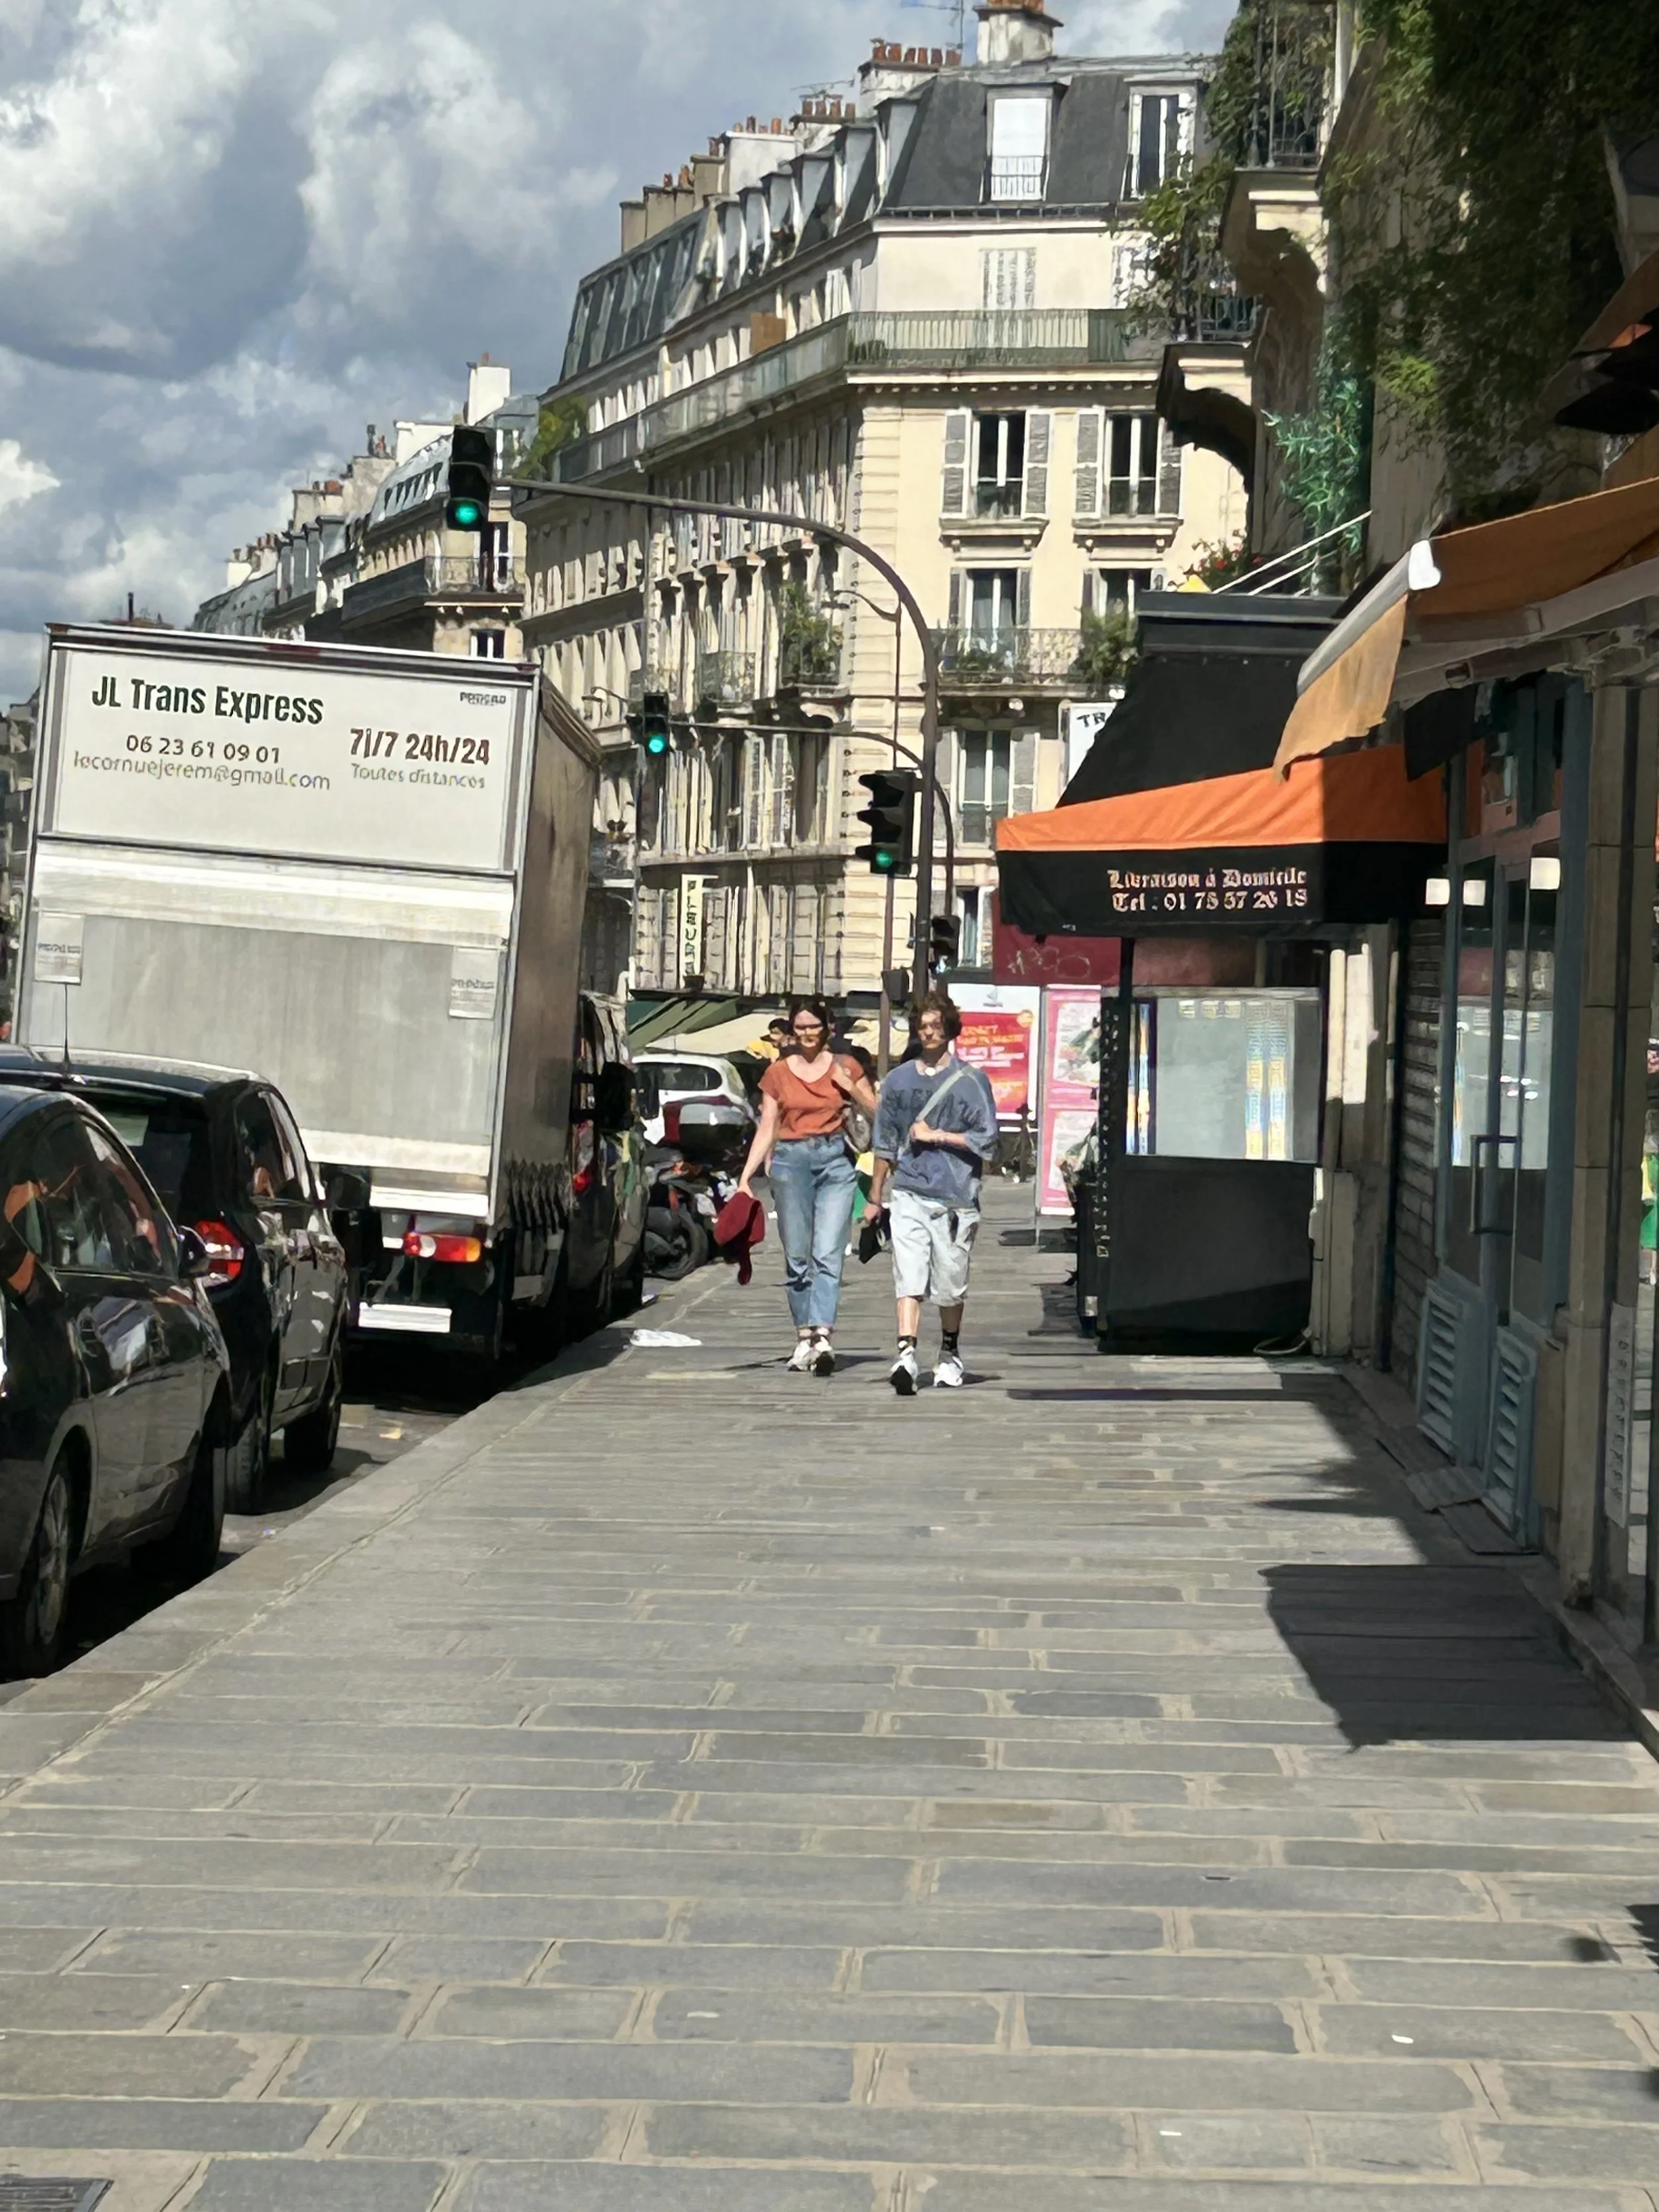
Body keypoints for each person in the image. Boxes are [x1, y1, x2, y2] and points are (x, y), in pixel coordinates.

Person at [867, 988, 999, 1394]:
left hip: (955, 1197)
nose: (929, 1033)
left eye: (936, 1026)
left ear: (950, 1030)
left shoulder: (972, 1082)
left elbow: (988, 1140)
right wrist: (875, 1197)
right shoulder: (897, 1080)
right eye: (922, 1026)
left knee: (949, 1284)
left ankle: (949, 1352)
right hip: (908, 1191)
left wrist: (938, 1136)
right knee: (908, 1275)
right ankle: (905, 1354)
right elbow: (884, 1140)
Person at [737, 997, 878, 1376]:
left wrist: (850, 1085)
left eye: (813, 1026)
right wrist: (745, 1177)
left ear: (827, 1027)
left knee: (829, 1253)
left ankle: (823, 1336)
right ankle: (804, 1336)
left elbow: (878, 1111)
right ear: (791, 1030)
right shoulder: (778, 1073)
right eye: (800, 1027)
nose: (807, 1034)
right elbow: (767, 1126)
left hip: (836, 1161)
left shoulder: (847, 1066)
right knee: (797, 1257)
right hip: (790, 1162)